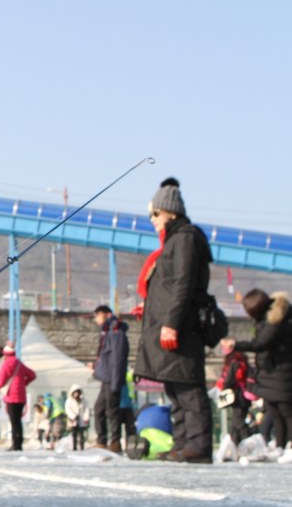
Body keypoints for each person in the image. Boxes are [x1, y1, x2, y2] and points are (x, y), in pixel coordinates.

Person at [133, 178, 214, 464]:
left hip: (182, 328)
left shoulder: (185, 238)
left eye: (155, 213)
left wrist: (171, 323)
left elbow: (183, 283)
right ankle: (183, 443)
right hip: (170, 324)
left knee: (189, 387)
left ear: (170, 210)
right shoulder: (173, 241)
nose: (152, 219)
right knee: (174, 387)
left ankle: (199, 445)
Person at [222, 289, 292, 456]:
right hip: (270, 372)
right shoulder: (266, 319)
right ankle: (280, 446)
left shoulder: (276, 319)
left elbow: (261, 343)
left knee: (287, 411)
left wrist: (236, 345)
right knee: (274, 412)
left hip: (282, 372)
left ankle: (287, 445)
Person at [91, 304, 129, 453]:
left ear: (107, 314)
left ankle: (115, 442)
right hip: (105, 377)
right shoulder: (106, 332)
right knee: (99, 409)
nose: (96, 320)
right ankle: (102, 440)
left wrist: (116, 381)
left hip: (112, 378)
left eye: (97, 316)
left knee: (112, 411)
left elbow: (118, 358)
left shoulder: (116, 332)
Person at [0, 341, 36, 451]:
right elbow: (32, 375)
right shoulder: (19, 363)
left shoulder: (5, 365)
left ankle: (14, 444)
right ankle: (19, 444)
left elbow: (1, 381)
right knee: (18, 421)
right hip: (21, 395)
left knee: (13, 421)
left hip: (11, 396)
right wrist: (24, 383)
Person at [215, 343, 252, 448]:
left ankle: (247, 444)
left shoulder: (234, 363)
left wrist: (223, 387)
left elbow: (229, 380)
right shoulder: (243, 362)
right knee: (236, 422)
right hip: (244, 395)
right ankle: (234, 445)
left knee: (238, 421)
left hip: (237, 395)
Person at [64, 384, 89, 451]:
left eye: (78, 392)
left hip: (81, 420)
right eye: (75, 392)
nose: (76, 394)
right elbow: (67, 409)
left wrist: (86, 418)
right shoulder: (69, 400)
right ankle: (74, 447)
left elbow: (86, 409)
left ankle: (82, 447)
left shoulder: (83, 400)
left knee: (81, 434)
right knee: (74, 434)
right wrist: (73, 416)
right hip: (73, 420)